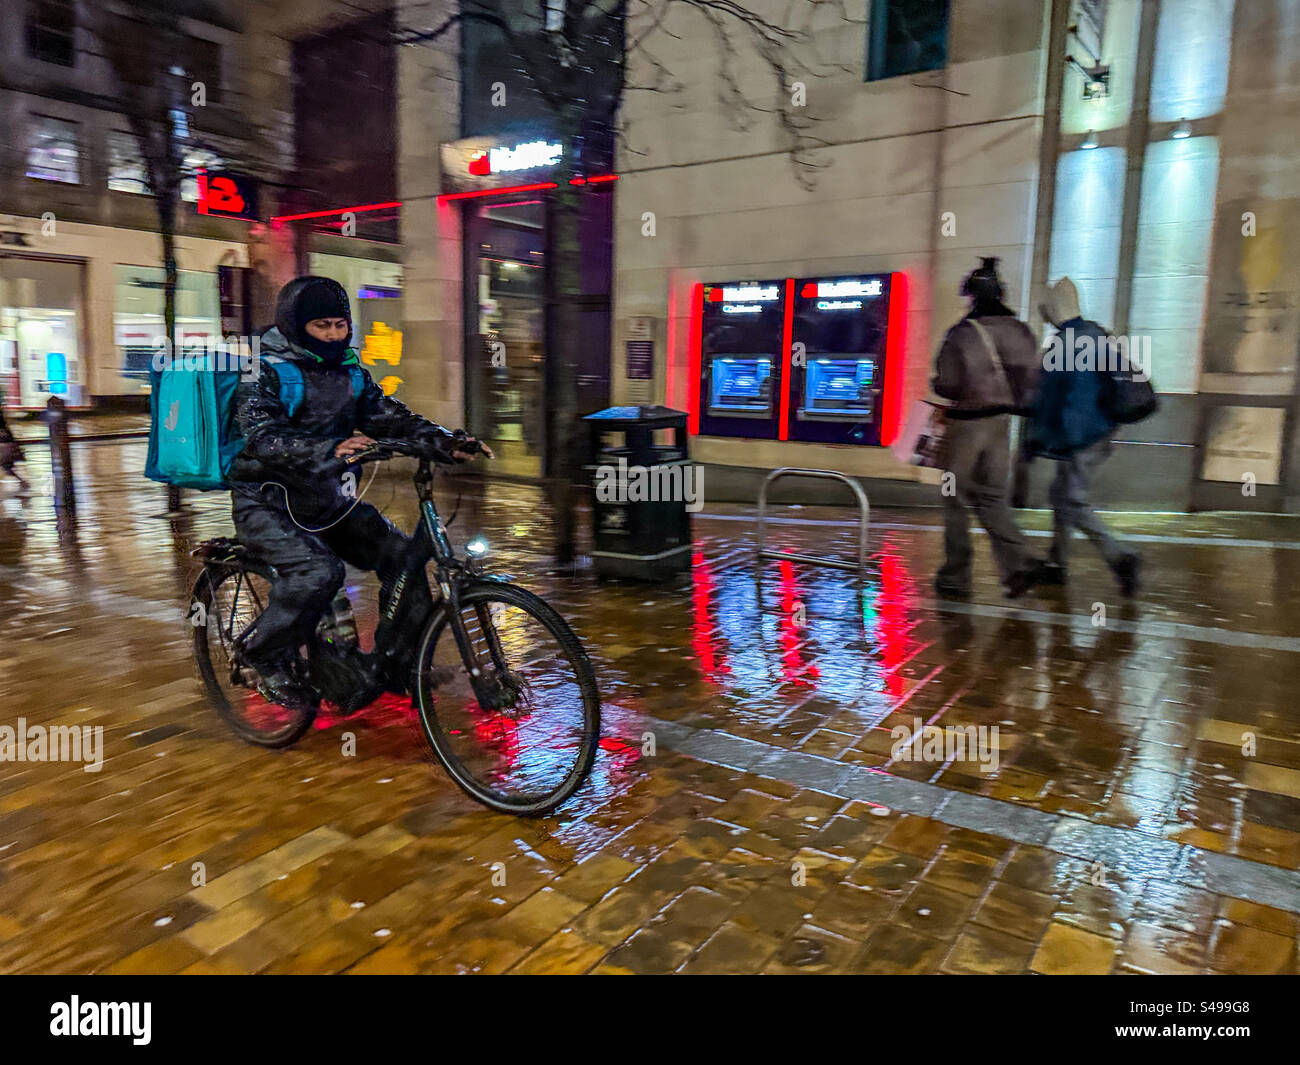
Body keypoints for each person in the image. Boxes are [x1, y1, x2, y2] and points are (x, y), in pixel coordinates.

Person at [227, 276, 491, 710]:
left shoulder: (350, 372)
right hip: (266, 501)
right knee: (319, 572)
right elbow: (262, 438)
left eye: (339, 325)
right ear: (296, 326)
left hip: (325, 500)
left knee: (403, 556)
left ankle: (399, 664)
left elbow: (389, 417)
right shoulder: (263, 369)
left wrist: (444, 441)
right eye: (321, 326)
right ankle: (263, 654)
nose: (334, 335)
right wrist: (330, 448)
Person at [931, 257, 1046, 599]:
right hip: (1003, 425)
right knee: (993, 497)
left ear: (973, 297)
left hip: (966, 425)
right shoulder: (1022, 331)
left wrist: (938, 382)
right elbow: (1033, 380)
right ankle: (1017, 566)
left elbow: (948, 384)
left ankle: (956, 572)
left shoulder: (964, 332)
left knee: (954, 497)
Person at [1026, 276, 1141, 596]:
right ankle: (1057, 563)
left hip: (1081, 437)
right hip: (1098, 433)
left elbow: (1067, 400)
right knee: (1061, 496)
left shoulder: (1067, 343)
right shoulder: (1094, 333)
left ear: (1054, 309)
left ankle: (1121, 557)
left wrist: (1048, 441)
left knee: (1072, 502)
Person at [0, 395, 29, 492]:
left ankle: (23, 484)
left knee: (7, 466)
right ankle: (23, 484)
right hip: (8, 443)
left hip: (4, 444)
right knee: (7, 467)